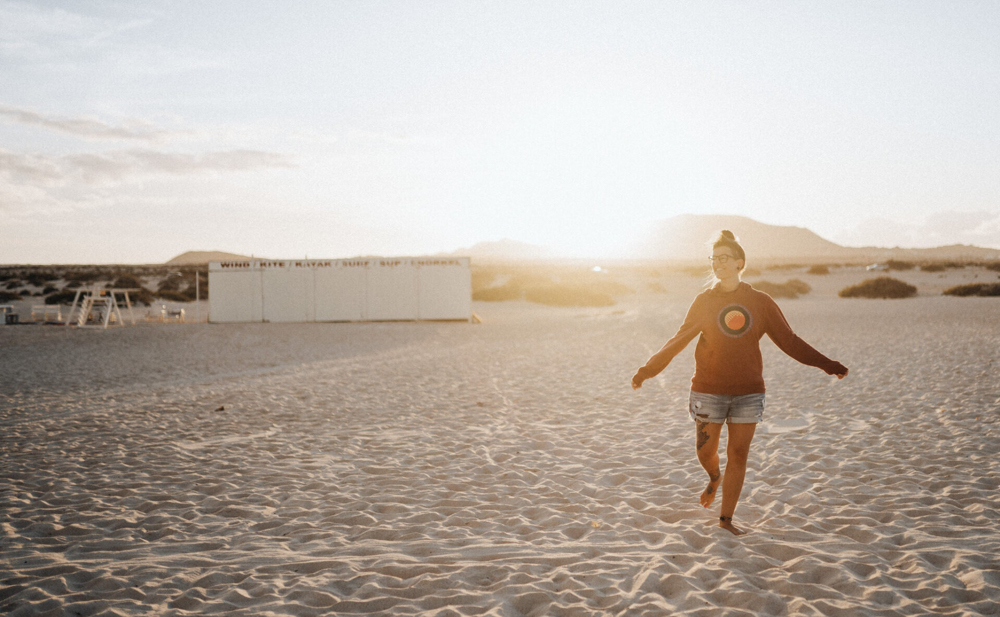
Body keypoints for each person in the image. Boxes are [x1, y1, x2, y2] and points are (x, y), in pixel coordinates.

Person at [631, 230, 848, 536]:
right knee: (705, 452)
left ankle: (726, 519)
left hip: (748, 392)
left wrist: (827, 364)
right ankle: (713, 476)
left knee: (739, 455)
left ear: (739, 263)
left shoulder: (759, 302)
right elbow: (678, 339)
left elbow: (789, 340)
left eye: (724, 258)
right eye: (714, 259)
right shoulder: (704, 301)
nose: (717, 264)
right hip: (708, 389)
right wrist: (648, 370)